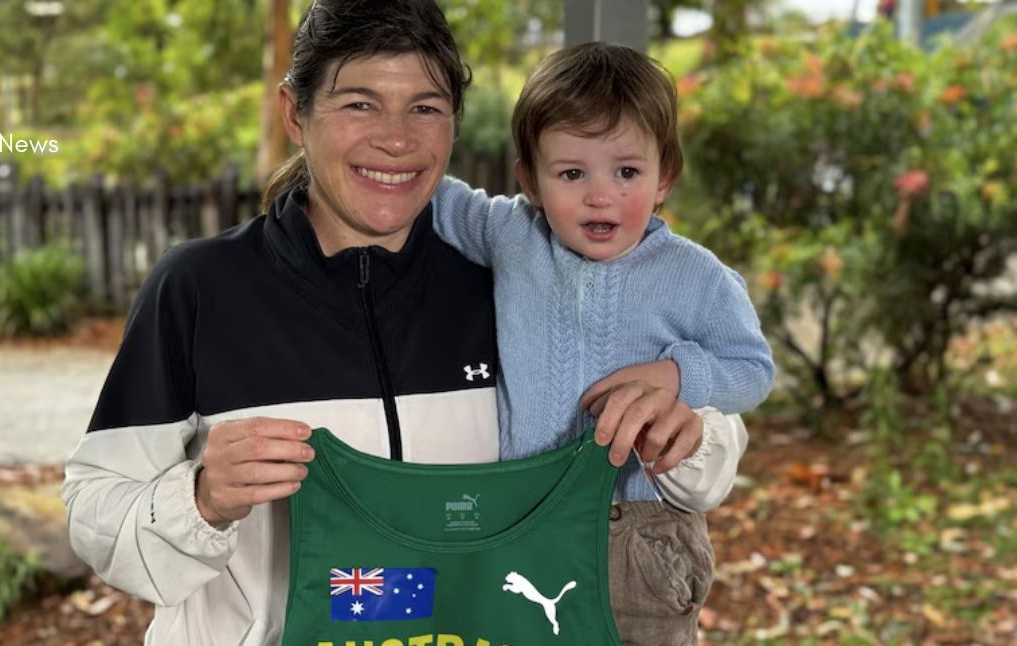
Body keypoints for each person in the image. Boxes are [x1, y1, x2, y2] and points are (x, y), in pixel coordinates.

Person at [62, 2, 746, 645]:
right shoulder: (201, 288)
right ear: (294, 113)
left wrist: (686, 429)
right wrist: (202, 499)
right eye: (360, 103)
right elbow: (96, 510)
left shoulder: (514, 277)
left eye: (425, 107)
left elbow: (703, 441)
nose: (396, 139)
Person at [430, 42, 774, 644]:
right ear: (530, 182)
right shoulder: (512, 232)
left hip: (638, 534)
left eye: (627, 172)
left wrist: (677, 376)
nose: (599, 195)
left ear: (664, 177)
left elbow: (753, 368)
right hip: (520, 521)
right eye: (570, 173)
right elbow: (433, 195)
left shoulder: (698, 276)